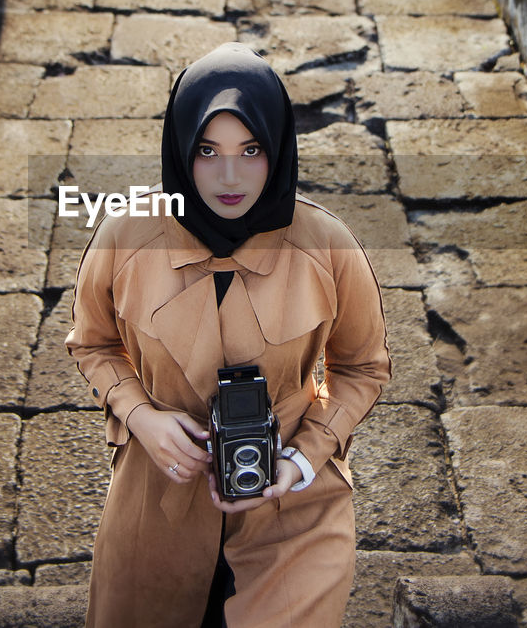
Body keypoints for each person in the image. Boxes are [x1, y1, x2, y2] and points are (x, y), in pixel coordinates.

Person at [65, 43, 390, 627]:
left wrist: (302, 457)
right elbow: (92, 343)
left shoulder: (329, 246)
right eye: (208, 151)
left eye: (252, 150)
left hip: (290, 507)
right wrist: (142, 416)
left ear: (279, 148)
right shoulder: (124, 237)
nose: (231, 177)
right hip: (157, 497)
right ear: (180, 148)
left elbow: (363, 368)